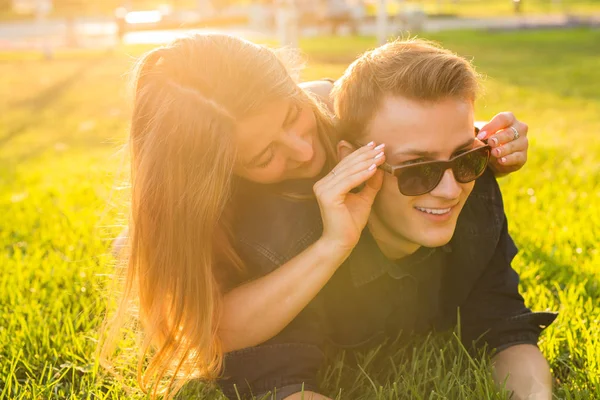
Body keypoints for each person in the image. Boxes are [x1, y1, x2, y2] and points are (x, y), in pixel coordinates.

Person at [100, 33, 533, 399]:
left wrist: (482, 149)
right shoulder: (223, 209)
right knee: (134, 251)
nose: (305, 151)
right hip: (219, 240)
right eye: (266, 154)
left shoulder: (328, 106)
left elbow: (416, 124)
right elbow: (207, 337)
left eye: (294, 115)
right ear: (221, 172)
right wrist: (331, 246)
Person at [216, 39, 557, 400]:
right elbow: (278, 383)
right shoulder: (287, 241)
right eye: (418, 170)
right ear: (356, 164)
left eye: (465, 158)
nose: (450, 190)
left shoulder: (477, 188)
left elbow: (506, 328)